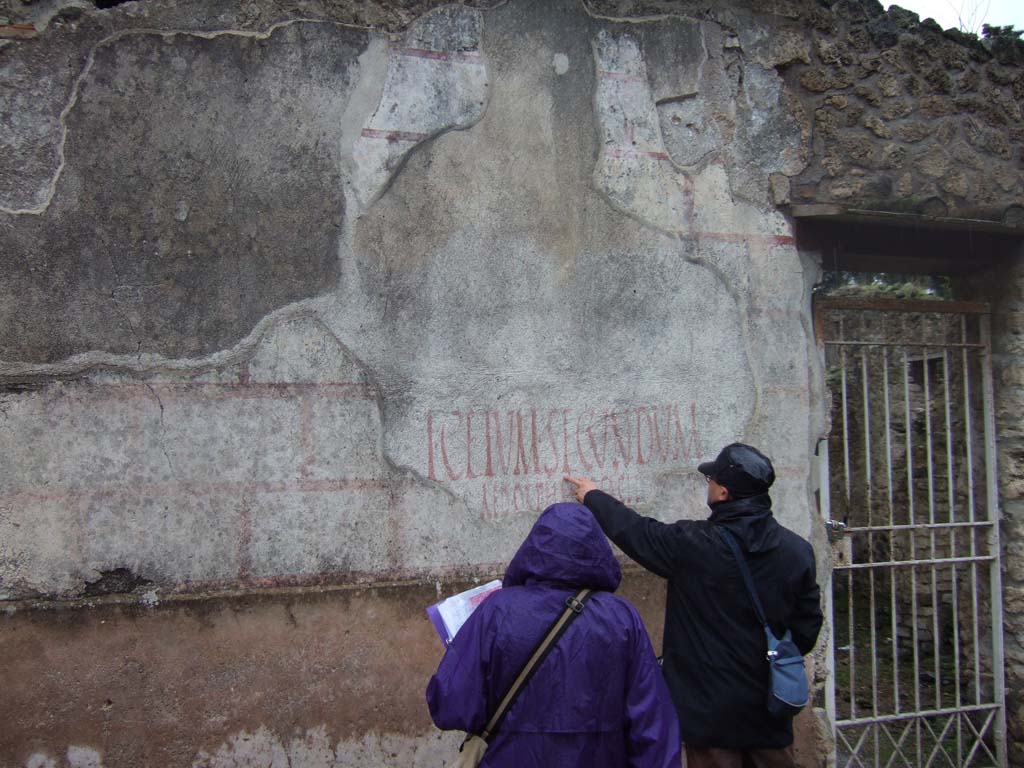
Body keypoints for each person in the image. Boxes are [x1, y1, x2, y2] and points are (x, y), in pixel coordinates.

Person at [565, 443, 823, 768]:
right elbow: (807, 629)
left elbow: (638, 532)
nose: (709, 484)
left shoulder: (695, 545)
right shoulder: (797, 551)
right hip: (770, 711)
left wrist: (592, 496)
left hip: (711, 717)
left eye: (711, 479)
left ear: (723, 493)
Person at [426, 502, 681, 768]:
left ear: (533, 548)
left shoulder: (497, 610)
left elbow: (448, 704)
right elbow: (652, 721)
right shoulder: (621, 617)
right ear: (596, 550)